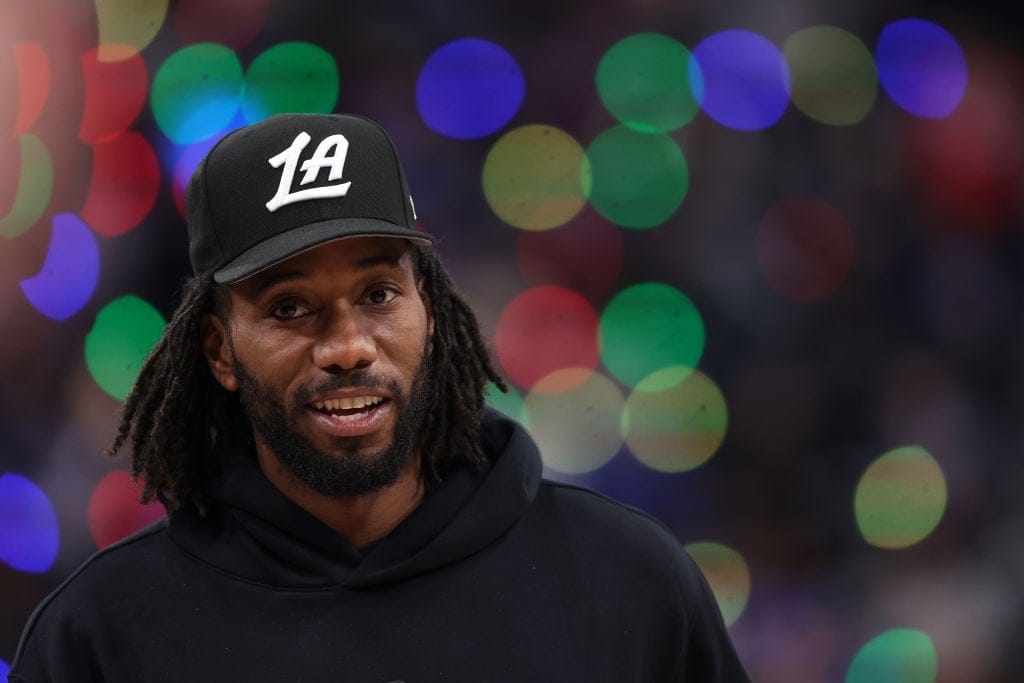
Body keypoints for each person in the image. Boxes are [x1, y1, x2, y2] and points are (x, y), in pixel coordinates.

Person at [9, 113, 750, 682]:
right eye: (289, 309)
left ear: (428, 305)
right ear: (218, 351)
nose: (348, 346)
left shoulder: (627, 582)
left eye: (378, 293)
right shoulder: (103, 635)